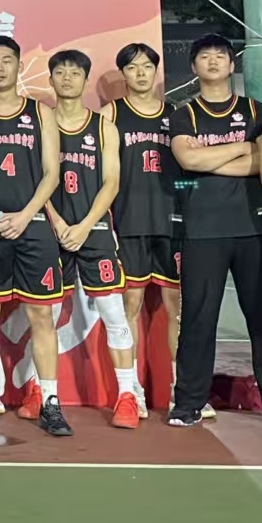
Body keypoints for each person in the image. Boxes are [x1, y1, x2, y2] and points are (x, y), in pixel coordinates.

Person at [167, 34, 262, 429]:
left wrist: (210, 159)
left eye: (220, 56)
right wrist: (242, 148)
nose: (213, 61)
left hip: (252, 228)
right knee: (198, 319)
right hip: (201, 230)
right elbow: (187, 160)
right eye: (204, 56)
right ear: (194, 66)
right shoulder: (184, 114)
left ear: (231, 64)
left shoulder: (256, 111)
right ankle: (188, 403)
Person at [0, 35, 70, 437]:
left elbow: (52, 173)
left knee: (42, 315)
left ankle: (51, 401)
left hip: (33, 226)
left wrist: (25, 215)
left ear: (20, 66)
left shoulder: (41, 113)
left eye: (7, 60)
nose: (0, 67)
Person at [46, 49, 142, 429]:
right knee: (43, 315)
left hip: (94, 230)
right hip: (51, 229)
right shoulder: (41, 124)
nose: (67, 78)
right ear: (51, 79)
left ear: (86, 81)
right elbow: (36, 182)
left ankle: (127, 395)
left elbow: (111, 182)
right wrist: (56, 221)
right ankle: (40, 390)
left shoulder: (103, 126)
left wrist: (85, 225)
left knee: (114, 313)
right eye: (60, 72)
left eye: (75, 73)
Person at [108, 42, 182, 419]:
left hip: (171, 224)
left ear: (156, 71)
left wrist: (187, 202)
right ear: (124, 74)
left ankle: (181, 390)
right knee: (130, 305)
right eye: (133, 67)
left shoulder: (177, 116)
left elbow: (189, 170)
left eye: (147, 67)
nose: (140, 73)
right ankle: (132, 388)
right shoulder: (111, 114)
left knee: (177, 308)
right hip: (129, 222)